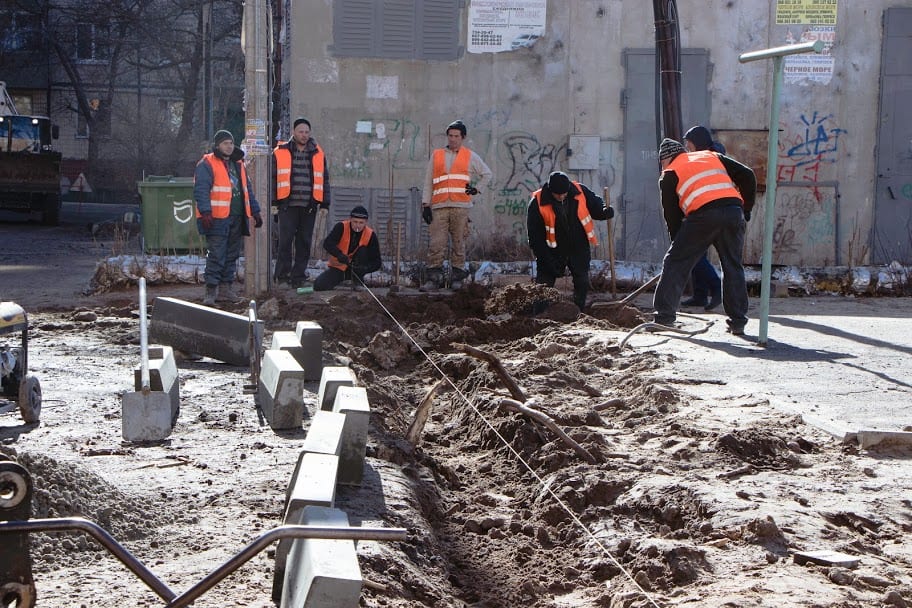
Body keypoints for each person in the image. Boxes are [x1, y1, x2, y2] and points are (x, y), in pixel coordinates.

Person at [653, 138, 756, 335]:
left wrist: (678, 245)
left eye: (661, 163)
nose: (661, 167)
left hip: (703, 216)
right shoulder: (711, 156)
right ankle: (738, 321)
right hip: (734, 212)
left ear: (666, 159)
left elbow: (672, 216)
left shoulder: (669, 173)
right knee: (733, 265)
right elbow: (748, 175)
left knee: (675, 262)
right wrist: (746, 209)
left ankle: (664, 317)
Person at [420, 119, 492, 291]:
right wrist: (425, 204)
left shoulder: (470, 156)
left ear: (463, 137)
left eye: (456, 136)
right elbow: (428, 181)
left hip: (461, 206)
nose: (452, 139)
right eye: (450, 136)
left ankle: (457, 278)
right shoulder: (437, 155)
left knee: (459, 243)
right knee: (437, 243)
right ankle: (433, 279)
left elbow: (487, 174)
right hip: (439, 206)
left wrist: (476, 190)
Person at [194, 129, 263, 306]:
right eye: (226, 143)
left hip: (237, 216)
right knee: (216, 255)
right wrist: (206, 212)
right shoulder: (207, 163)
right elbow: (201, 190)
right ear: (217, 145)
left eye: (231, 143)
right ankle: (211, 292)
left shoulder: (238, 164)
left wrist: (255, 212)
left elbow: (247, 191)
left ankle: (225, 290)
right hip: (217, 218)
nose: (229, 146)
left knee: (231, 255)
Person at [527, 171, 614, 312]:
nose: (561, 197)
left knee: (582, 282)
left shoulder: (580, 191)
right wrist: (546, 259)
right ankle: (539, 315)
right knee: (543, 286)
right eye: (557, 194)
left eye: (564, 193)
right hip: (551, 250)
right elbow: (535, 237)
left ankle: (577, 311)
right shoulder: (537, 203)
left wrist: (604, 211)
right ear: (550, 190)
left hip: (578, 247)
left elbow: (596, 206)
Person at [272, 117, 331, 288]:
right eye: (301, 132)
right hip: (287, 205)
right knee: (285, 241)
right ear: (293, 132)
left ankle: (298, 277)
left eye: (307, 132)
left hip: (309, 206)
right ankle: (282, 276)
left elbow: (324, 179)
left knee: (304, 242)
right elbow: (273, 178)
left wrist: (325, 203)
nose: (304, 135)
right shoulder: (280, 151)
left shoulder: (318, 153)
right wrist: (273, 202)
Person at [680, 125, 725, 311]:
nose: (687, 147)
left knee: (693, 252)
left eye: (689, 143)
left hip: (710, 209)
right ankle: (700, 294)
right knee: (700, 251)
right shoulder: (716, 155)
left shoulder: (706, 158)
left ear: (697, 143)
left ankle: (716, 287)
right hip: (710, 209)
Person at [313, 205, 382, 292]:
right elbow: (327, 243)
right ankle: (341, 283)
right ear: (350, 219)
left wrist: (365, 269)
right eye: (355, 222)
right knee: (319, 286)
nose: (358, 225)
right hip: (339, 266)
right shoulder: (341, 227)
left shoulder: (370, 234)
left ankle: (358, 282)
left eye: (361, 223)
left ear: (366, 222)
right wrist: (339, 254)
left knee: (363, 250)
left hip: (356, 270)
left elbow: (377, 262)